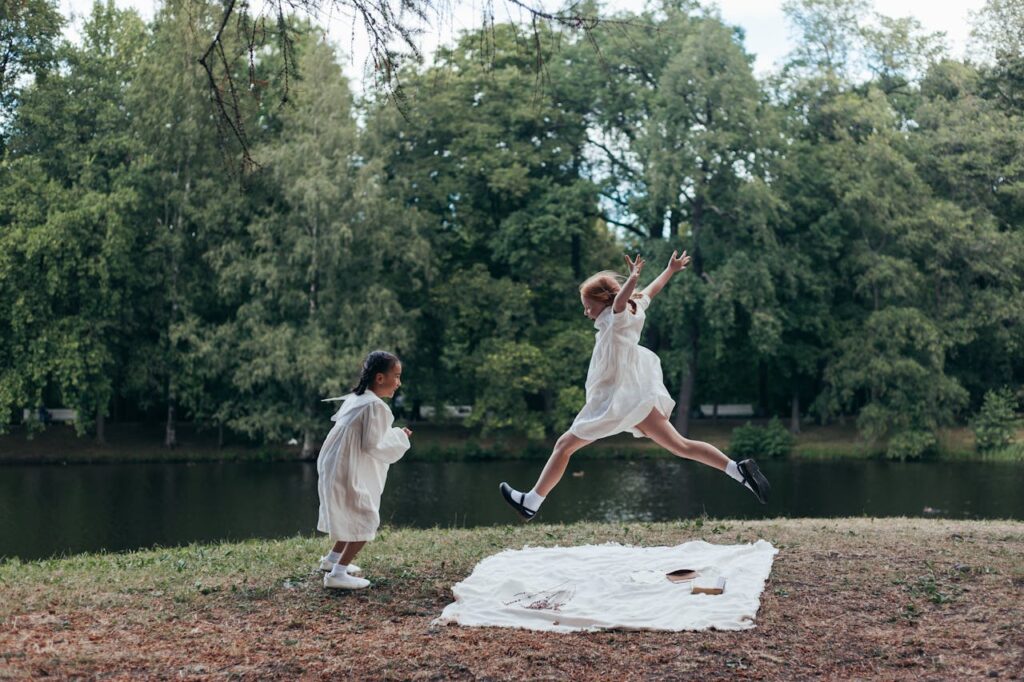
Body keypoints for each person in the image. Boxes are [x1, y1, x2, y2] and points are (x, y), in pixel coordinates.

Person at [499, 251, 770, 520]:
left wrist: (632, 277)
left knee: (563, 445)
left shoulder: (615, 317)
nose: (585, 312)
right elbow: (652, 290)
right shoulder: (635, 307)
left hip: (616, 402)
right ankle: (738, 471)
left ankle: (531, 502)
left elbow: (620, 301)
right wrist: (670, 270)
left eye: (588, 306)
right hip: (637, 397)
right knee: (681, 446)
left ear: (604, 300)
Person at [317, 350, 411, 589]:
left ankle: (332, 560)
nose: (399, 382)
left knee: (352, 512)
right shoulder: (375, 406)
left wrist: (394, 434)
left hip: (335, 462)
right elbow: (374, 445)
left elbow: (367, 437)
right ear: (380, 378)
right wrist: (400, 437)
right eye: (396, 376)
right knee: (366, 517)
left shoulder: (357, 398)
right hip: (344, 466)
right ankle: (337, 575)